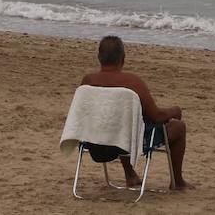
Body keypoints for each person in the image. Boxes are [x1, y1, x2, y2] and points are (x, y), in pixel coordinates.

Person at [80, 35, 189, 190]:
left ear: (99, 57)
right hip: (127, 143)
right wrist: (175, 111)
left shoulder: (88, 82)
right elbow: (156, 116)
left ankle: (130, 175)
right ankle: (177, 182)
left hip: (95, 143)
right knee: (178, 127)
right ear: (123, 58)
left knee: (120, 122)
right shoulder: (132, 82)